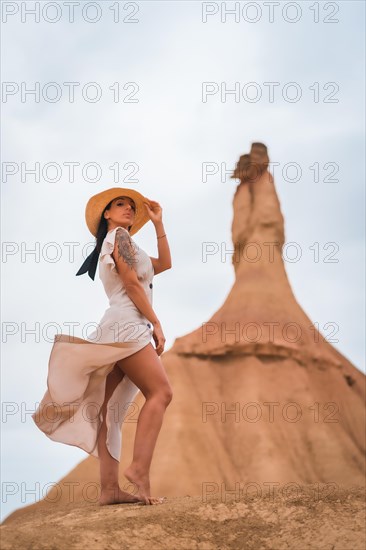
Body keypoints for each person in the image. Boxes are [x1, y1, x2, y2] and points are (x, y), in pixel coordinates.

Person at [32, 187, 173, 506]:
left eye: (130, 207)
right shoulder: (119, 237)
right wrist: (157, 323)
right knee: (161, 392)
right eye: (120, 204)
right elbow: (131, 284)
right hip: (127, 325)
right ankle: (138, 469)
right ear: (106, 214)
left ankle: (110, 489)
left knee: (108, 410)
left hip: (117, 326)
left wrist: (158, 224)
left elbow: (163, 264)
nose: (128, 209)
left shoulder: (126, 242)